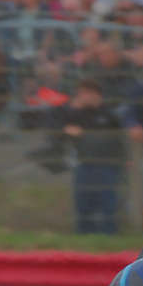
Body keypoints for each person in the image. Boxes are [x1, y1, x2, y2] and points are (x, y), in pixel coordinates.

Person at [49, 78, 130, 234]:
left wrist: (125, 159)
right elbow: (53, 123)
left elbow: (120, 138)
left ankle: (110, 232)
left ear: (97, 95)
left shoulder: (109, 115)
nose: (85, 97)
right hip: (84, 163)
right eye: (82, 94)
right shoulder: (74, 113)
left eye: (88, 93)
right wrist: (69, 119)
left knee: (108, 200)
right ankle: (84, 232)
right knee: (83, 200)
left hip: (108, 164)